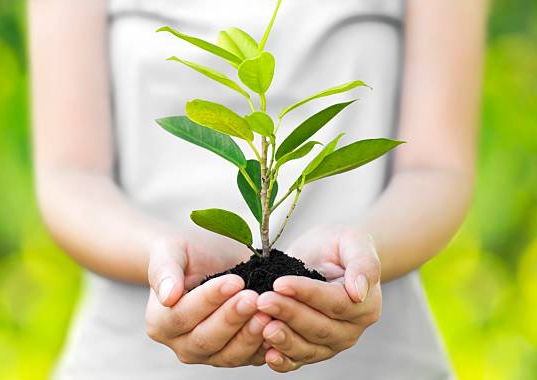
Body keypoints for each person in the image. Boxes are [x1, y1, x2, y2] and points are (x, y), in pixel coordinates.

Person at [28, 0, 488, 378]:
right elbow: (71, 175)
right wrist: (163, 260)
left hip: (380, 358)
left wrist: (362, 257)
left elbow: (435, 168)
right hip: (128, 359)